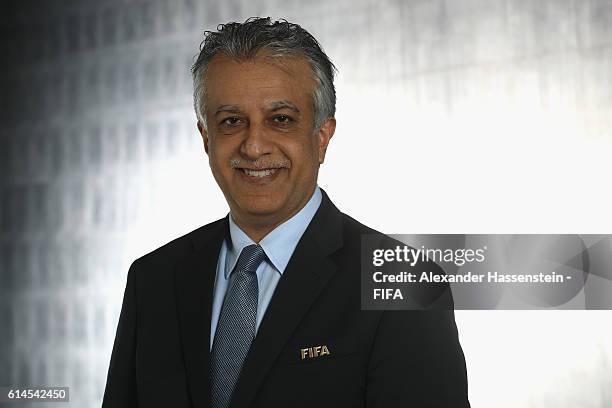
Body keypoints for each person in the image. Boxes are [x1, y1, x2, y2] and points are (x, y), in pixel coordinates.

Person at [102, 17, 470, 408]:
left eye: (281, 120)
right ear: (206, 139)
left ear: (322, 137)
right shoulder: (154, 280)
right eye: (231, 122)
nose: (254, 146)